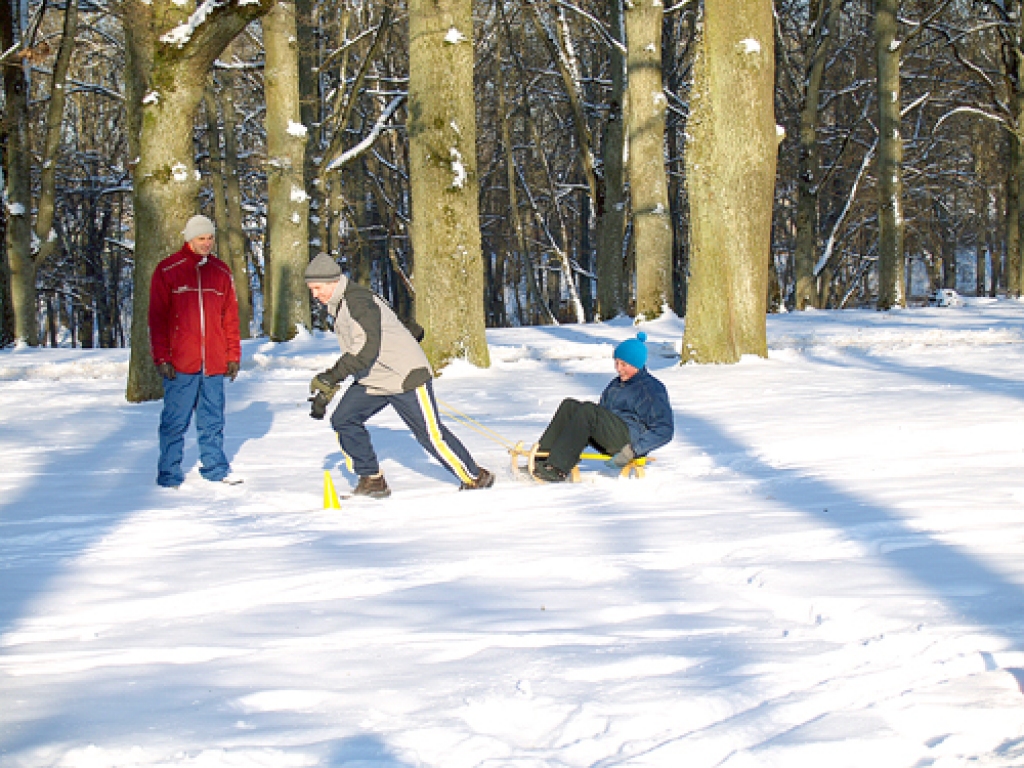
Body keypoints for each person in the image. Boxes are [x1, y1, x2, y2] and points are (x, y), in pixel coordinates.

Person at [304, 253, 494, 498]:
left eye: (317, 288)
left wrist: (332, 376)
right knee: (344, 419)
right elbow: (386, 320)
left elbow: (365, 349)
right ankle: (372, 480)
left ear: (333, 281)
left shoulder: (356, 301)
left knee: (430, 435)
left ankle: (475, 477)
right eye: (311, 289)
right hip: (375, 378)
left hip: (405, 375)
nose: (314, 295)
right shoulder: (342, 303)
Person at [149, 214, 242, 488]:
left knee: (212, 420)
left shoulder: (221, 272)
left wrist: (233, 355)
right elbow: (157, 319)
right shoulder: (168, 270)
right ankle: (169, 473)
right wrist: (162, 357)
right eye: (202, 238)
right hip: (180, 362)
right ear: (189, 239)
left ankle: (215, 469)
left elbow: (230, 318)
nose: (207, 243)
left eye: (210, 238)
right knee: (174, 421)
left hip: (213, 363)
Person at [532, 332, 673, 483]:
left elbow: (664, 429)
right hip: (611, 435)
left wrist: (633, 450)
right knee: (570, 406)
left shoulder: (650, 390)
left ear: (637, 365)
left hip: (628, 442)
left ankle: (557, 469)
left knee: (588, 410)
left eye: (624, 364)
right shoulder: (617, 384)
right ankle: (541, 460)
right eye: (616, 362)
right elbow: (600, 415)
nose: (618, 368)